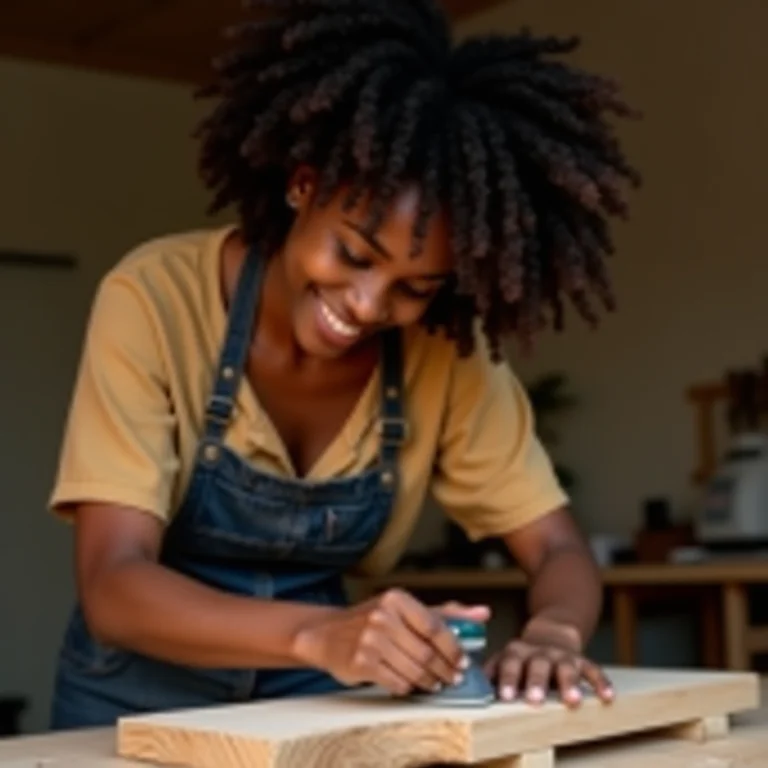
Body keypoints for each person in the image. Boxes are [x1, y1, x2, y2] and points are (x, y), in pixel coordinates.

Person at [47, 0, 640, 731]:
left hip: (314, 701)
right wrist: (319, 635)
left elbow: (555, 546)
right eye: (354, 254)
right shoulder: (153, 299)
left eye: (414, 288)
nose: (366, 304)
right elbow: (113, 584)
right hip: (129, 702)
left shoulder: (443, 356)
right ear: (303, 185)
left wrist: (554, 632)